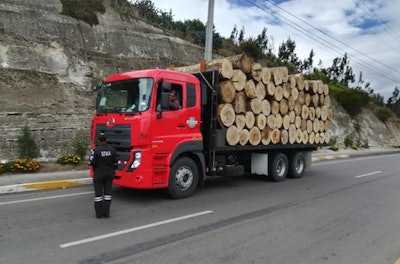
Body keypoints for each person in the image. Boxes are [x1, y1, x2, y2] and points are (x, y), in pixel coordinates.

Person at [89, 133, 117, 219]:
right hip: (109, 174)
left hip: (99, 174)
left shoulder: (96, 150)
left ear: (99, 140)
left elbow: (92, 162)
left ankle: (99, 215)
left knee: (98, 195)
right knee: (108, 194)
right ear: (106, 139)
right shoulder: (112, 150)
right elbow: (115, 161)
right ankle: (106, 214)